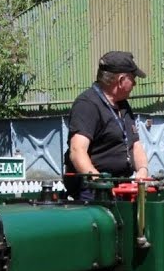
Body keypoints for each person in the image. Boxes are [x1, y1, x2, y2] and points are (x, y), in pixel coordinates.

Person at [63, 51, 149, 201]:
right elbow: (77, 151)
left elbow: (135, 144)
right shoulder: (87, 105)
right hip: (94, 192)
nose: (135, 83)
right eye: (133, 78)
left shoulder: (123, 105)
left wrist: (142, 170)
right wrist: (100, 184)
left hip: (121, 186)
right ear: (121, 80)